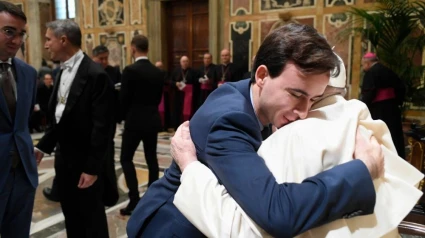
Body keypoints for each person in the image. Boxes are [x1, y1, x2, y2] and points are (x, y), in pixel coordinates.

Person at [127, 23, 384, 238]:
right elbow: (277, 213)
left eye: (313, 100)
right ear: (262, 75)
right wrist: (364, 168)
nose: (304, 112)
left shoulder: (257, 97)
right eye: (296, 94)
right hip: (172, 228)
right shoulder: (229, 120)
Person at [172, 54, 423, 238]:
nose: (301, 113)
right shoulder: (365, 120)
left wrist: (190, 167)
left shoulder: (296, 137)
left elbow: (244, 230)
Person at [34, 19, 113, 238]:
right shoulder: (60, 73)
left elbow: (102, 128)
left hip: (85, 165)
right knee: (72, 217)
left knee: (92, 220)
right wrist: (42, 147)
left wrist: (91, 169)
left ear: (63, 40)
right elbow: (60, 120)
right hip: (64, 161)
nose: (46, 45)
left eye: (48, 39)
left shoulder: (96, 75)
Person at [0, 2, 38, 237]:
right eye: (8, 31)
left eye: (21, 33)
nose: (16, 39)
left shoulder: (28, 73)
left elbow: (21, 123)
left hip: (23, 173)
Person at [119, 35, 165, 216]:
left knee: (125, 158)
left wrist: (120, 117)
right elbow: (158, 98)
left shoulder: (130, 70)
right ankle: (152, 200)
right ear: (147, 48)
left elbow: (123, 99)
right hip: (152, 120)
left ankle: (134, 199)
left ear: (132, 49)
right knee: (151, 159)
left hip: (134, 121)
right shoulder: (158, 72)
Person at [361, 52, 405, 159]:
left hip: (378, 110)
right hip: (392, 109)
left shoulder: (371, 73)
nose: (363, 67)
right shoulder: (389, 71)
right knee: (394, 136)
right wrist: (396, 102)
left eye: (363, 64)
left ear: (367, 63)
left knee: (380, 136)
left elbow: (369, 93)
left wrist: (364, 106)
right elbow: (401, 88)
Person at [170, 56, 200, 130]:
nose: (185, 63)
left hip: (189, 96)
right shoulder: (176, 71)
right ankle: (177, 126)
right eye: (183, 61)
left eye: (186, 61)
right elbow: (170, 81)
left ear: (188, 62)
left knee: (190, 110)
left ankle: (189, 125)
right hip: (178, 95)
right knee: (178, 110)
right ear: (180, 63)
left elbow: (196, 82)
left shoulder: (193, 71)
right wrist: (175, 83)